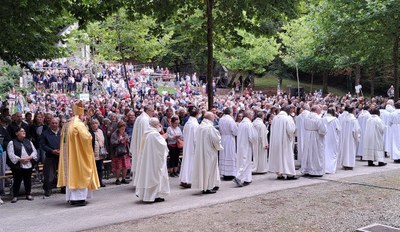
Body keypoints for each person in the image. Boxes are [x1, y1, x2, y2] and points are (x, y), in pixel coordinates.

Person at [57, 102, 100, 206]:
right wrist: (89, 132)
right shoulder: (78, 124)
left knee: (71, 174)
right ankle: (79, 199)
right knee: (79, 174)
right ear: (80, 114)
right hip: (78, 155)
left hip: (68, 155)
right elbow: (87, 138)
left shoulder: (67, 124)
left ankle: (72, 198)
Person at [135, 118, 170, 203]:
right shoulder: (154, 134)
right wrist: (164, 137)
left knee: (148, 176)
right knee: (155, 176)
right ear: (155, 125)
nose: (160, 126)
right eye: (158, 124)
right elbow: (161, 146)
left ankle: (150, 195)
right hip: (154, 161)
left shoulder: (147, 133)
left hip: (148, 160)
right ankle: (153, 196)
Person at [192, 112, 223, 194]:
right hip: (210, 152)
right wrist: (219, 146)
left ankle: (205, 186)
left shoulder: (200, 127)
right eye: (213, 117)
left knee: (204, 169)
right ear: (210, 118)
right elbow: (216, 139)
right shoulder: (209, 128)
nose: (214, 119)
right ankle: (209, 187)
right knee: (210, 169)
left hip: (201, 151)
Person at [7, 127, 38, 203]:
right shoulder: (12, 142)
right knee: (17, 180)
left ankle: (28, 194)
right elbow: (11, 154)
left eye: (24, 131)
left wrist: (29, 158)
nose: (24, 132)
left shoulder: (28, 141)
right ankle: (15, 195)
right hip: (18, 164)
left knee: (28, 179)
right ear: (16, 133)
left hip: (28, 163)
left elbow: (34, 151)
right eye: (21, 131)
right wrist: (21, 160)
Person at [268, 106, 298, 180]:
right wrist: (294, 129)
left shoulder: (275, 118)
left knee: (278, 156)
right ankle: (290, 174)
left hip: (276, 141)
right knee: (286, 156)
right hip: (285, 141)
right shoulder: (287, 118)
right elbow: (290, 130)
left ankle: (279, 174)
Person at [130, 105, 154, 186]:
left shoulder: (141, 117)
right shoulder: (144, 120)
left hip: (139, 146)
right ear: (148, 110)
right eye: (152, 111)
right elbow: (146, 135)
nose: (153, 113)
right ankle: (142, 183)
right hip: (143, 147)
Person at [300, 105, 327, 177]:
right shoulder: (318, 118)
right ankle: (316, 171)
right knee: (316, 154)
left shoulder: (306, 117)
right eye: (319, 110)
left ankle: (307, 169)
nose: (320, 111)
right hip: (316, 137)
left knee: (308, 153)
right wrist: (324, 132)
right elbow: (323, 130)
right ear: (316, 110)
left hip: (308, 136)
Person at [233, 110, 257, 187]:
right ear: (249, 115)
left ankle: (247, 178)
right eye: (252, 114)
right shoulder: (249, 124)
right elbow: (252, 137)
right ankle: (238, 177)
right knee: (245, 161)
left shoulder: (241, 124)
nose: (253, 116)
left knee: (244, 161)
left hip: (241, 144)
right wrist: (255, 140)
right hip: (246, 145)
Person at [40, 117, 61, 196]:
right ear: (50, 124)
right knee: (49, 174)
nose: (54, 125)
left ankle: (64, 187)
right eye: (52, 123)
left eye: (56, 123)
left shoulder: (62, 132)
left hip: (61, 156)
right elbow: (43, 145)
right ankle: (48, 189)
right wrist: (52, 151)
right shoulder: (45, 133)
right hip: (50, 156)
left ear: (58, 124)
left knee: (62, 173)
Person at [179, 106, 199, 188]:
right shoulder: (195, 124)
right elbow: (196, 138)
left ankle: (185, 179)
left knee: (186, 161)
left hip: (187, 145)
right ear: (197, 114)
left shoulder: (187, 123)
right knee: (191, 162)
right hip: (193, 147)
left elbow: (183, 135)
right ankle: (189, 180)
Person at [218, 107, 238, 181]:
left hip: (223, 138)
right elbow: (235, 131)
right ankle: (230, 173)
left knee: (224, 155)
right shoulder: (230, 119)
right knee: (230, 155)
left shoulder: (221, 119)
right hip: (229, 139)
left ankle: (224, 172)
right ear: (230, 112)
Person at [110, 121, 131, 185]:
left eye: (124, 128)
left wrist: (127, 140)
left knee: (125, 166)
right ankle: (117, 179)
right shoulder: (114, 134)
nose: (123, 129)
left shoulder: (125, 133)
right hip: (117, 153)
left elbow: (128, 140)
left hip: (125, 152)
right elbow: (112, 142)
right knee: (118, 167)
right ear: (119, 128)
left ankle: (123, 178)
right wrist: (120, 140)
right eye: (122, 128)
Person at [90, 119, 108, 187]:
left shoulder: (101, 131)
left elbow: (105, 141)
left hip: (101, 153)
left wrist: (106, 149)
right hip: (93, 153)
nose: (94, 125)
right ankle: (94, 182)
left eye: (96, 123)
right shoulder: (89, 132)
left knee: (100, 168)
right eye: (93, 123)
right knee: (93, 169)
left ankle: (100, 181)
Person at [323, 108, 341, 174]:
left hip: (325, 137)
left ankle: (325, 168)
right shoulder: (335, 120)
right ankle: (331, 169)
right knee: (333, 153)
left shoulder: (323, 119)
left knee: (325, 152)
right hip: (333, 138)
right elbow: (339, 129)